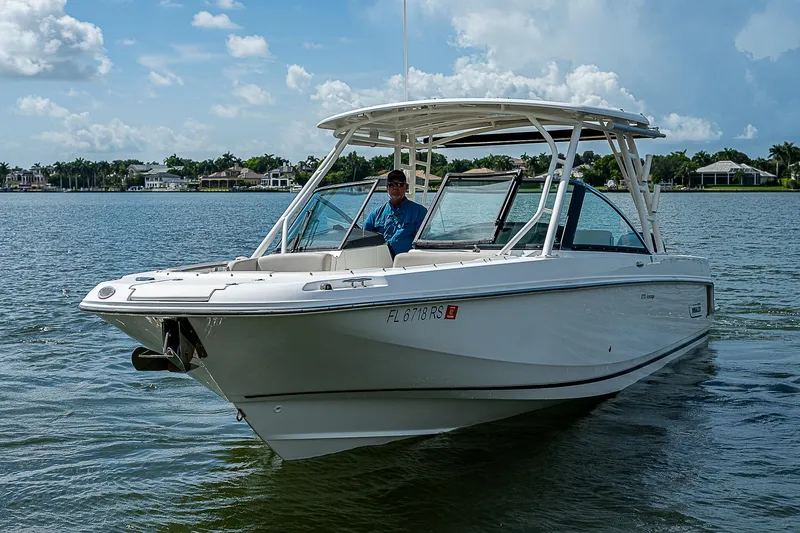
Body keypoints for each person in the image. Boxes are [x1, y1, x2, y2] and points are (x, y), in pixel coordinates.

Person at [365, 169, 427, 256]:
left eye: (399, 184)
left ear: (406, 187)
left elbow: (423, 242)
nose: (395, 187)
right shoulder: (376, 214)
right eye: (391, 185)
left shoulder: (419, 212)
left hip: (408, 264)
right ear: (387, 188)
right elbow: (364, 237)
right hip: (382, 263)